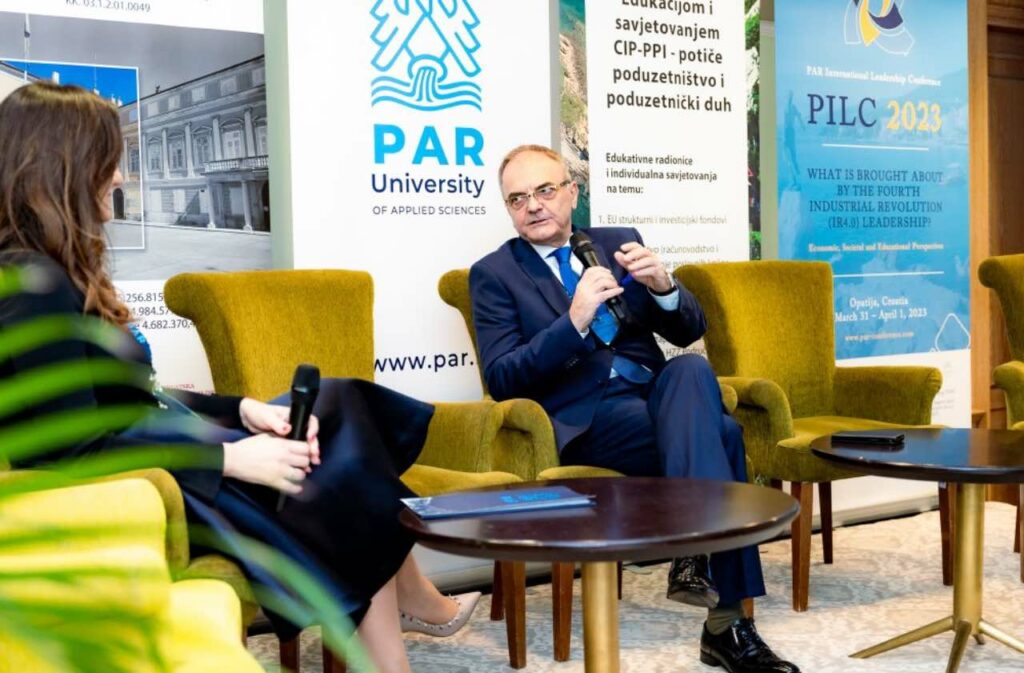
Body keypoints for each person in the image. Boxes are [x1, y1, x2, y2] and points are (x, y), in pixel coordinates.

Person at [0, 81, 478, 673]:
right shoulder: (32, 283)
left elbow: (127, 397)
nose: (120, 177)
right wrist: (229, 458)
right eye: (110, 161)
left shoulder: (53, 271)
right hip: (144, 485)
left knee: (337, 403)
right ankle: (406, 620)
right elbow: (75, 446)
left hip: (167, 450)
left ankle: (402, 620)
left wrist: (240, 409)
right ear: (65, 167)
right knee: (337, 466)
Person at [469, 144, 799, 673]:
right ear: (508, 208)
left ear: (572, 192)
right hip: (587, 417)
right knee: (723, 435)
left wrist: (665, 288)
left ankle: (696, 562)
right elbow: (503, 376)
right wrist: (573, 321)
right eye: (518, 198)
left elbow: (688, 330)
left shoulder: (615, 243)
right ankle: (725, 623)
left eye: (545, 190)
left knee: (690, 369)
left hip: (655, 394)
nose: (533, 205)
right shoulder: (494, 274)